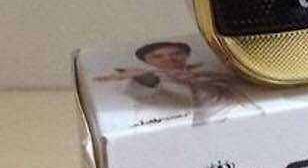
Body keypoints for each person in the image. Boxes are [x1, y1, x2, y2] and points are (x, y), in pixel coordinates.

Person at [94, 41, 260, 125]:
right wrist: (144, 76)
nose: (169, 59)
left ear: (185, 56)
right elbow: (146, 87)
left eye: (176, 53)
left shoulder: (210, 74)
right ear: (147, 61)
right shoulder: (148, 79)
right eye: (157, 56)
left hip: (232, 123)